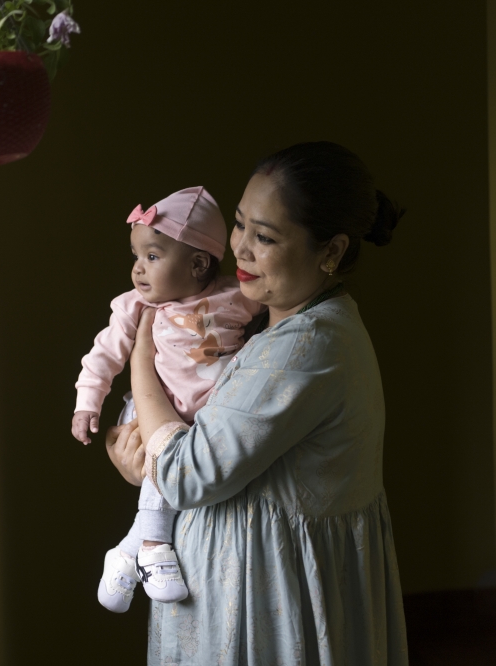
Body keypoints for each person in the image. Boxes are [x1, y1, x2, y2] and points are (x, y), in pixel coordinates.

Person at [106, 143, 410, 664]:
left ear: (331, 251)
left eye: (265, 237)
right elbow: (194, 431)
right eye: (240, 224)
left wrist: (142, 352)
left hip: (266, 609)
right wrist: (133, 449)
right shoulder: (258, 325)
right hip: (233, 596)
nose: (240, 248)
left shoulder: (304, 348)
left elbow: (184, 471)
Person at [71, 187, 263, 613]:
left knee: (186, 462)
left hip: (203, 417)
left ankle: (126, 553)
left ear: (198, 264)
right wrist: (88, 401)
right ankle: (155, 545)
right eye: (137, 257)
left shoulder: (235, 296)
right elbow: (103, 354)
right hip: (151, 407)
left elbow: (271, 312)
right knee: (165, 456)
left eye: (152, 257)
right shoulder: (135, 307)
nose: (139, 270)